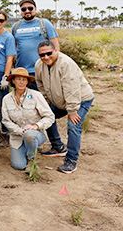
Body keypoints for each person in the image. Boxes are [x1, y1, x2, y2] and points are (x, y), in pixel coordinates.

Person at [35, 40, 94, 174]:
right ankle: (58, 148)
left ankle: (71, 161)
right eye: (42, 55)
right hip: (60, 100)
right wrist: (46, 101)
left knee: (73, 126)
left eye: (49, 53)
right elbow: (39, 83)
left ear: (55, 50)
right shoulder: (39, 65)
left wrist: (72, 111)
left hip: (80, 99)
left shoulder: (66, 63)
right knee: (47, 116)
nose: (46, 57)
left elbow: (71, 89)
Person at [1, 68, 55, 170]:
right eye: (18, 79)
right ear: (13, 81)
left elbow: (50, 116)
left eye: (24, 79)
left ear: (27, 81)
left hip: (36, 134)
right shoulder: (6, 99)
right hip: (17, 137)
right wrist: (20, 131)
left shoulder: (36, 95)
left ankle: (32, 159)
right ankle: (28, 148)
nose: (21, 82)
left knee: (29, 134)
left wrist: (36, 126)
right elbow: (5, 120)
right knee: (18, 165)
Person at [12, 0, 59, 89]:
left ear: (35, 9)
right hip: (22, 72)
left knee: (41, 99)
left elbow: (56, 48)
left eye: (30, 8)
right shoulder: (16, 26)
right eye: (24, 9)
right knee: (24, 99)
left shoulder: (45, 24)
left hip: (41, 70)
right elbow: (15, 47)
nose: (27, 11)